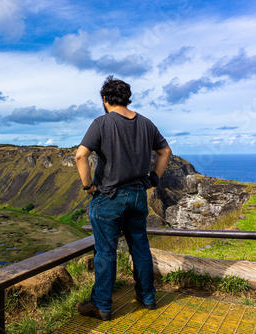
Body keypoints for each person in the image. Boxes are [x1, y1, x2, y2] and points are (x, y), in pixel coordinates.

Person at [74, 75, 172, 321]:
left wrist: (88, 186)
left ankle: (101, 305)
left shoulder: (101, 123)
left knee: (106, 251)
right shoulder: (147, 124)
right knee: (140, 246)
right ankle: (147, 296)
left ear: (105, 99)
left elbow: (80, 156)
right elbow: (165, 151)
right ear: (127, 98)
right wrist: (153, 179)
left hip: (109, 196)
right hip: (138, 196)